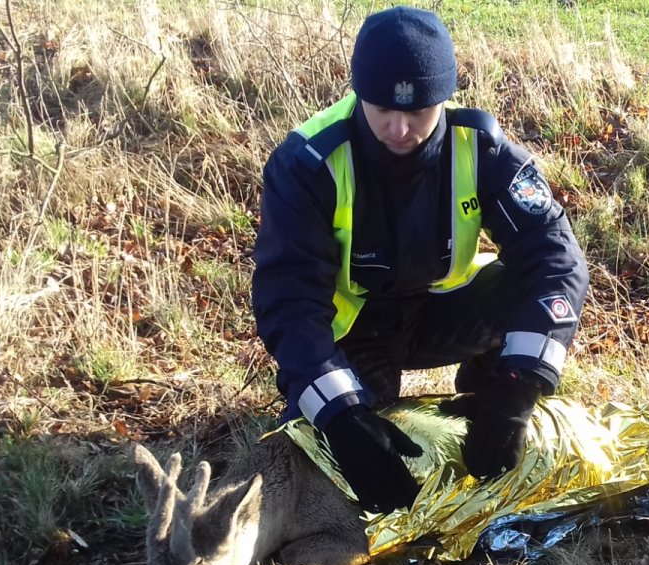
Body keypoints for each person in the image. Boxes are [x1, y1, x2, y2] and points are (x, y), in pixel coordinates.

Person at [252, 6, 589, 514]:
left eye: (419, 111)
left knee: (522, 291)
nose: (399, 127)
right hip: (356, 329)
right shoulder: (308, 163)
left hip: (441, 308)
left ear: (445, 98)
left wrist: (520, 389)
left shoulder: (485, 151)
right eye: (383, 107)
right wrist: (340, 413)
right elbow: (290, 300)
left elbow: (556, 262)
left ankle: (485, 395)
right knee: (350, 454)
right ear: (357, 90)